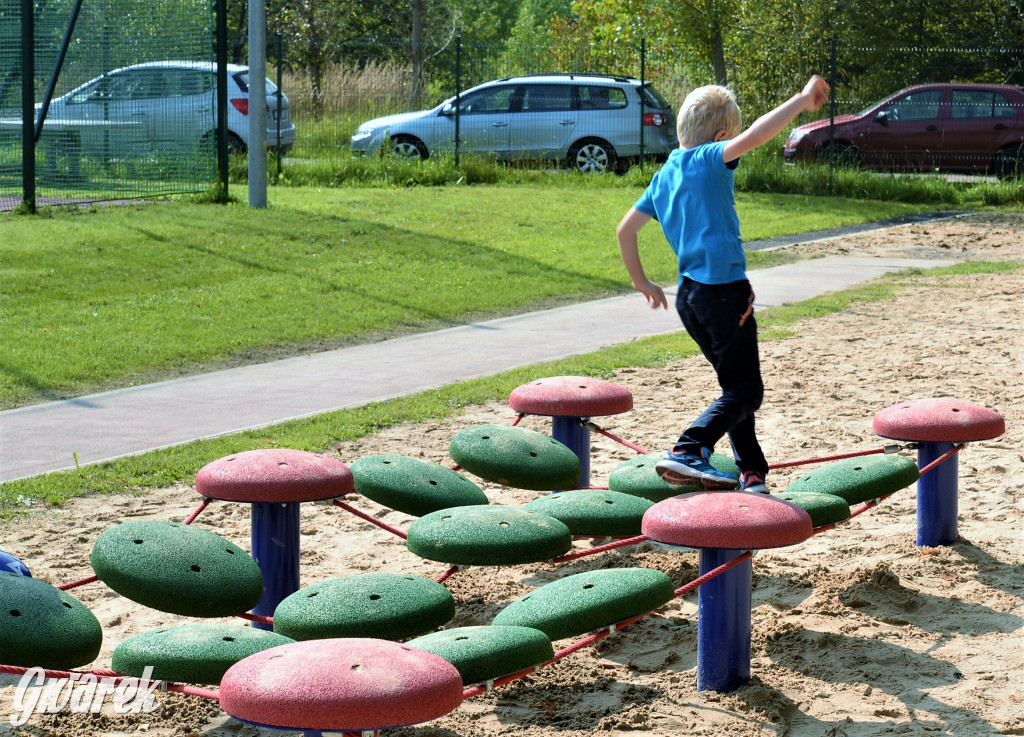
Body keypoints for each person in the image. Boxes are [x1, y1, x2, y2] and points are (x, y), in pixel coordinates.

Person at [616, 75, 830, 493]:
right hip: (724, 293)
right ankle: (688, 448)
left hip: (690, 298)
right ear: (718, 136)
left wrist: (641, 281)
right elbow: (756, 135)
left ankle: (751, 472)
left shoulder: (664, 175)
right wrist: (802, 100)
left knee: (734, 388)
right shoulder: (709, 158)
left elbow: (626, 231)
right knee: (747, 391)